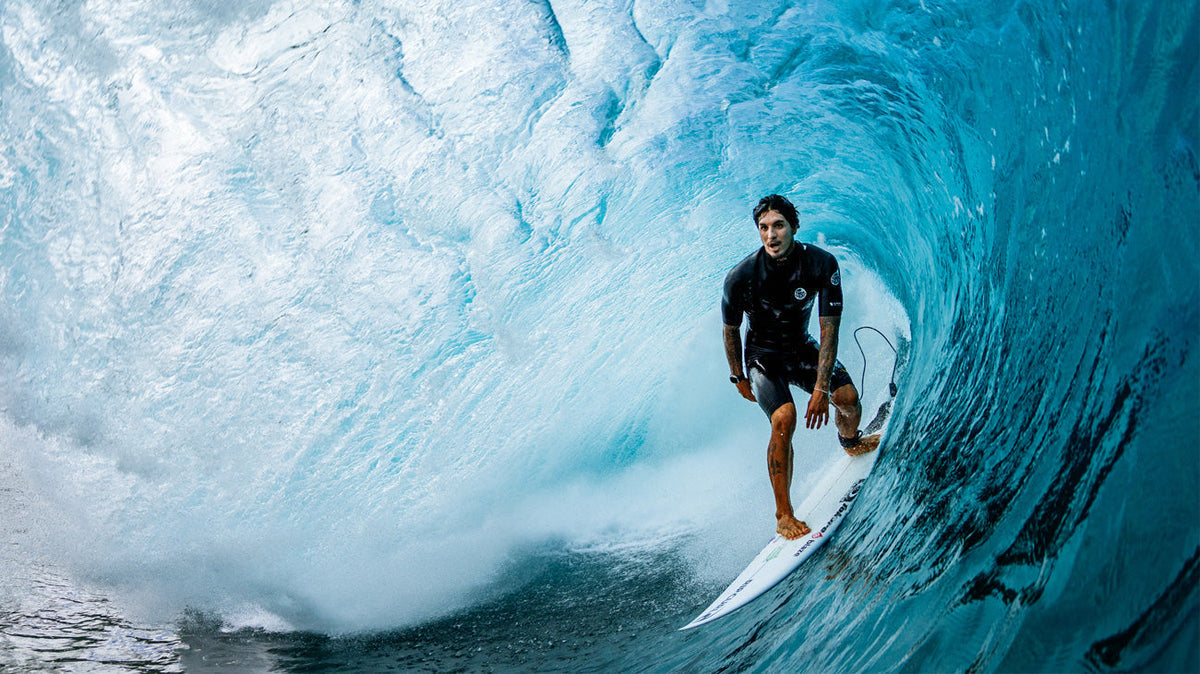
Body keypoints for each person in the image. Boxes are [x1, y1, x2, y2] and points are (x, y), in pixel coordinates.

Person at [721, 194, 880, 540]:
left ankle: (850, 441)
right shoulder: (741, 276)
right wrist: (738, 376)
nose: (771, 235)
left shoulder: (820, 264)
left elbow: (829, 330)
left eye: (778, 225)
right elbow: (731, 330)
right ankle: (784, 515)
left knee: (848, 400)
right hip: (762, 358)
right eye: (763, 227)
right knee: (784, 419)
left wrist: (822, 389)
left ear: (794, 227)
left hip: (801, 348)